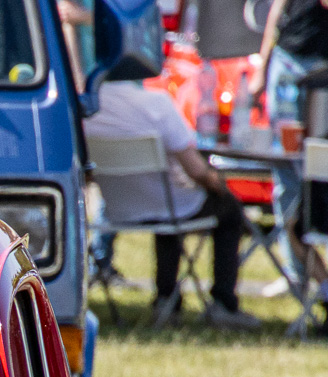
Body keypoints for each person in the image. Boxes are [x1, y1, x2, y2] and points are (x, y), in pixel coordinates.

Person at [84, 72, 263, 330]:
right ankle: (224, 303)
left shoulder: (86, 110)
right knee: (227, 209)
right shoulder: (155, 103)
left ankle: (166, 301)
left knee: (168, 214)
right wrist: (218, 185)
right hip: (168, 206)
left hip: (118, 211)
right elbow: (197, 171)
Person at [251, 0, 328, 277]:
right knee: (285, 166)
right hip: (286, 61)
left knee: (319, 167)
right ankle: (296, 274)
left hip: (322, 71)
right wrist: (263, 64)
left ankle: (316, 277)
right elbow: (278, 8)